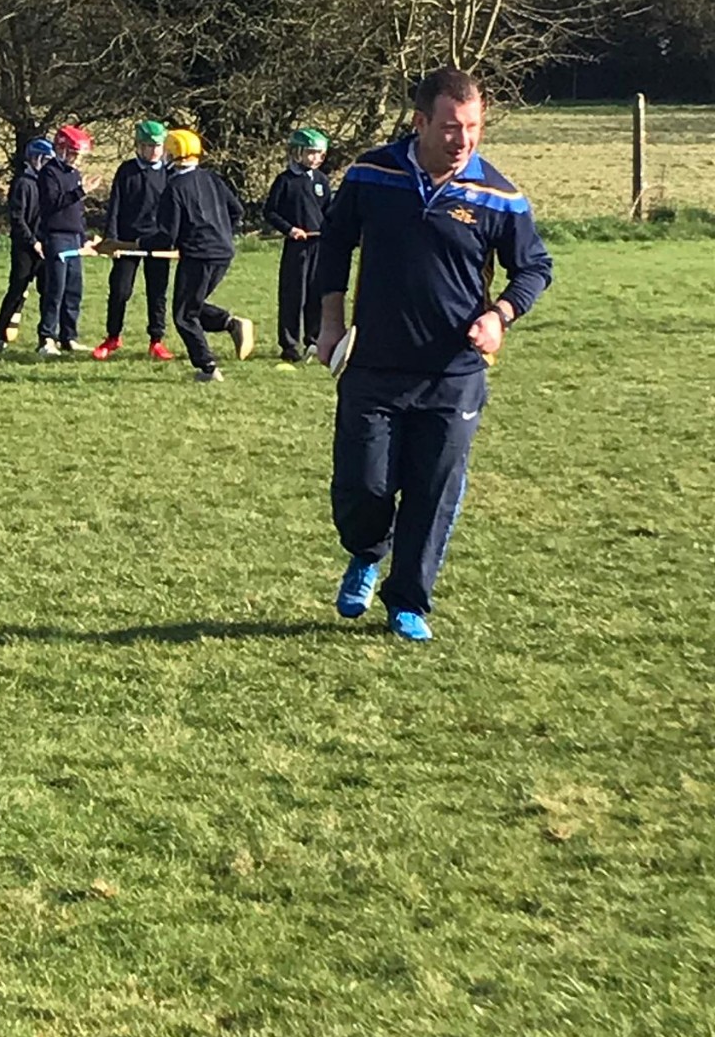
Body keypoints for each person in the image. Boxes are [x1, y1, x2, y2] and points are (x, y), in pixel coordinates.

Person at [316, 66, 552, 641]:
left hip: (454, 373)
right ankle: (367, 550)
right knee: (363, 488)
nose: (463, 139)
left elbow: (535, 268)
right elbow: (335, 244)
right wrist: (330, 324)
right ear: (420, 122)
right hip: (373, 365)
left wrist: (500, 315)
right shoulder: (372, 174)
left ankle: (408, 603)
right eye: (450, 126)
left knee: (433, 490)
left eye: (473, 127)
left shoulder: (499, 196)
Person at [101, 128, 253, 383]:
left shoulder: (175, 187)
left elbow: (166, 236)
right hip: (224, 252)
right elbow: (236, 210)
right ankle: (230, 323)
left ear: (171, 155)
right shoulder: (211, 178)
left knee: (184, 314)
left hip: (198, 254)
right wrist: (220, 231)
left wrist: (135, 244)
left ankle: (208, 367)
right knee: (192, 305)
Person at [92, 120, 174, 361]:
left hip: (158, 241)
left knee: (157, 292)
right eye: (149, 146)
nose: (154, 151)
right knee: (120, 290)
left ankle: (156, 340)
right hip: (126, 241)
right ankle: (112, 337)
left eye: (158, 146)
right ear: (139, 146)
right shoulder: (127, 171)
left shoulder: (169, 173)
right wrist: (112, 240)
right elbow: (115, 206)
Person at [264, 127, 332, 364]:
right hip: (297, 246)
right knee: (293, 295)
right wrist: (290, 229)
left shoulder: (321, 180)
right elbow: (270, 212)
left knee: (316, 293)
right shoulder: (285, 181)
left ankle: (313, 340)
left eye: (319, 154)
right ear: (297, 153)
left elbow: (328, 211)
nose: (315, 158)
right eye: (310, 153)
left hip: (319, 244)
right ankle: (289, 344)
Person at [35, 124, 99, 357]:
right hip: (56, 237)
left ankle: (68, 337)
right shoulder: (49, 173)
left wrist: (84, 237)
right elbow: (53, 203)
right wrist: (81, 191)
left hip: (74, 238)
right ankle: (46, 338)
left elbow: (77, 211)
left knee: (74, 289)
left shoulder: (74, 174)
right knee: (55, 289)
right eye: (73, 154)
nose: (77, 159)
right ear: (61, 150)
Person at [0, 137, 53, 351]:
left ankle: (46, 337)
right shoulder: (23, 183)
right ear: (35, 159)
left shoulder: (48, 183)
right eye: (45, 160)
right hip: (25, 248)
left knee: (48, 292)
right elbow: (17, 218)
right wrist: (33, 242)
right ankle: (0, 335)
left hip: (46, 246)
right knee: (17, 289)